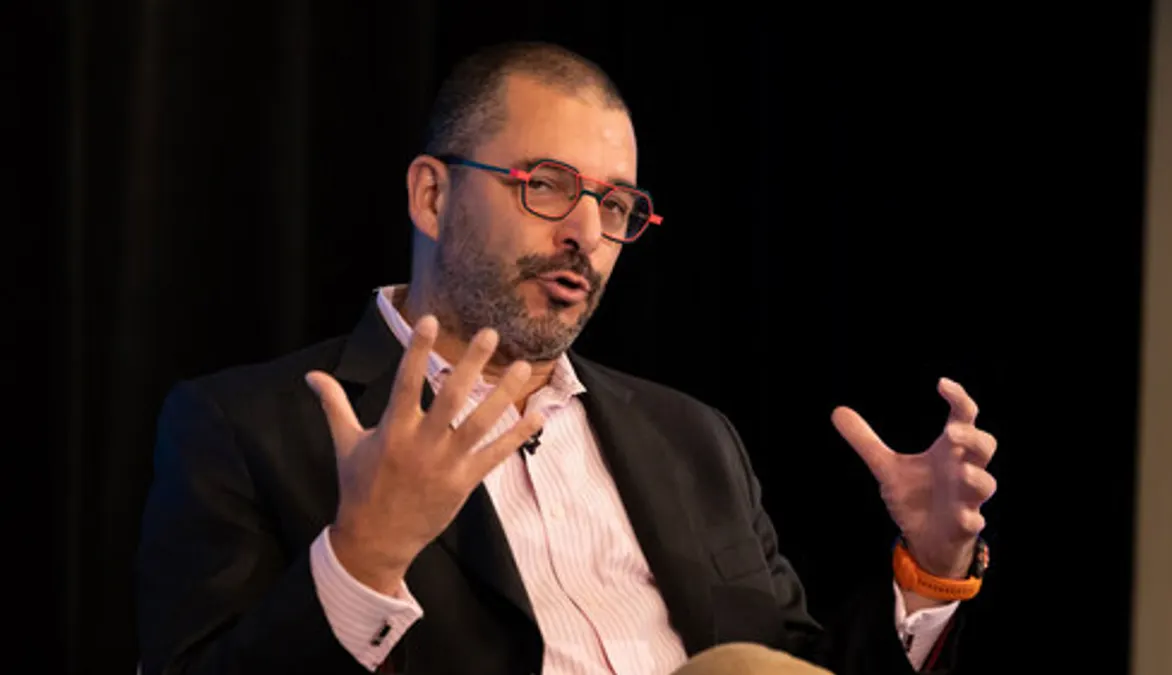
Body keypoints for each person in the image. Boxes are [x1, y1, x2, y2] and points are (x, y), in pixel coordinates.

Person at [135, 41, 998, 675]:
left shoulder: (691, 439)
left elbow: (787, 664)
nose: (587, 231)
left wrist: (926, 573)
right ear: (432, 195)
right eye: (546, 185)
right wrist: (360, 558)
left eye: (617, 203)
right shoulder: (245, 427)